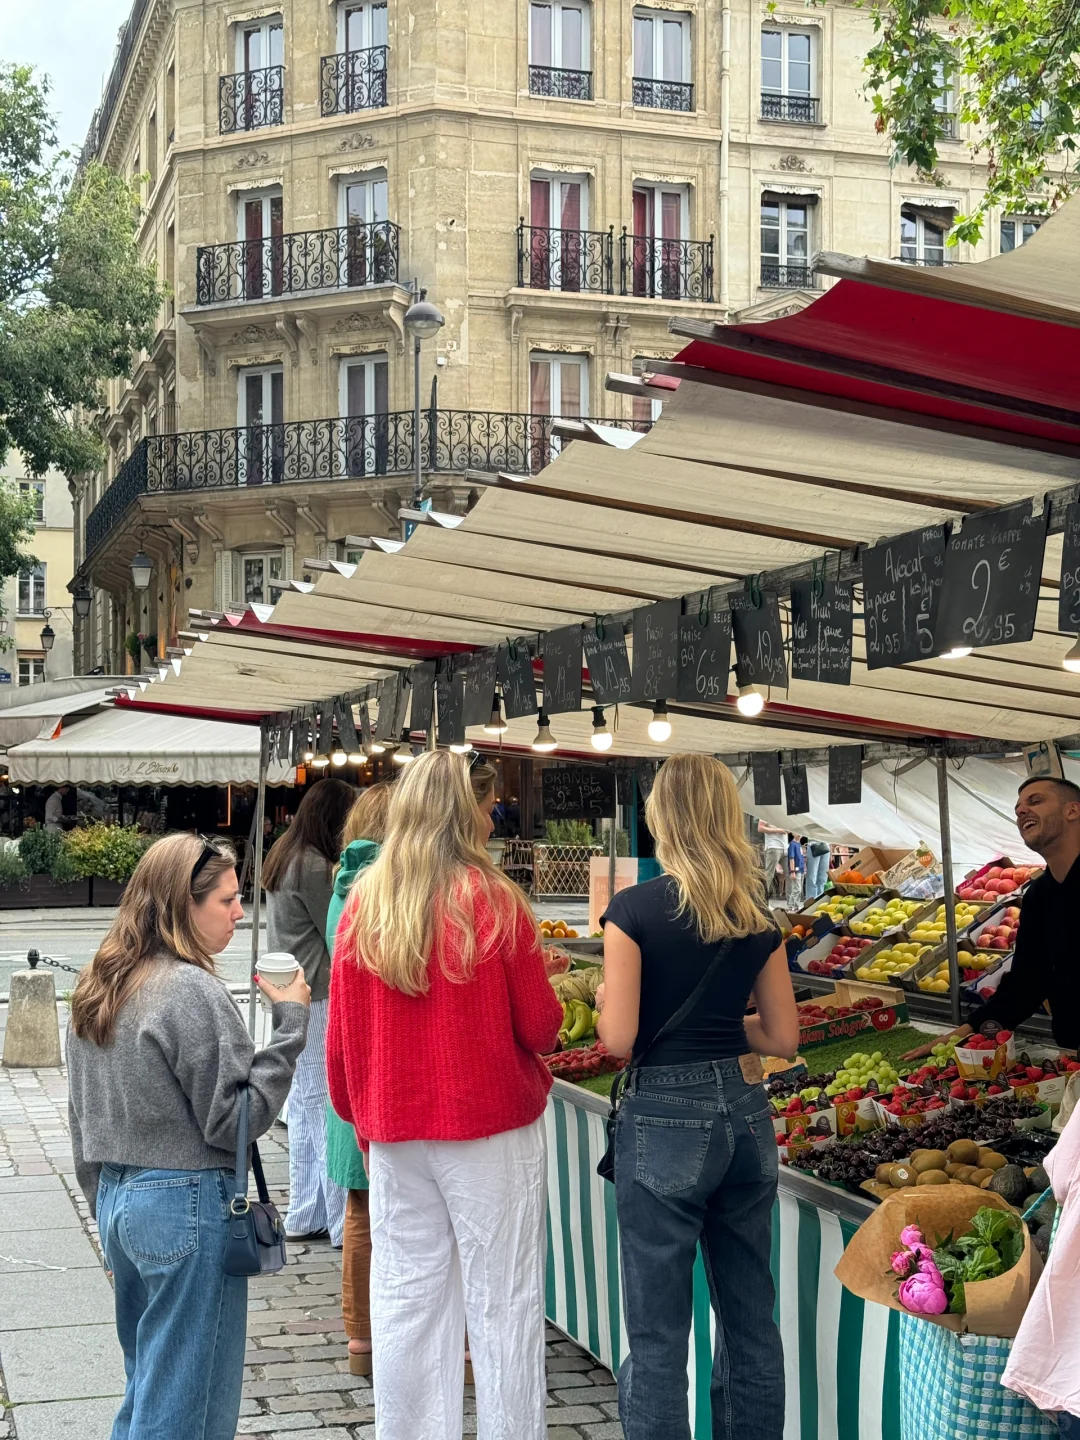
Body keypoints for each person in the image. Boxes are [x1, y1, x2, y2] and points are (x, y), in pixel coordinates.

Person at [326, 750, 562, 1440]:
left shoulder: (364, 906)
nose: (494, 814)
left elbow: (341, 1045)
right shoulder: (494, 901)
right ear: (466, 812)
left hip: (397, 1132)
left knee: (407, 1299)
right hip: (490, 1127)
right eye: (485, 806)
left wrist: (362, 1122)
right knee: (503, 1303)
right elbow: (543, 1029)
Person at [66, 833, 311, 1440]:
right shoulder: (190, 990)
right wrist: (290, 1028)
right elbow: (236, 1121)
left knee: (149, 1383)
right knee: (185, 1404)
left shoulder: (101, 982)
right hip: (185, 1204)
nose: (239, 913)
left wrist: (104, 1198)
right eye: (226, 901)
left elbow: (80, 1116)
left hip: (120, 1199)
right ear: (183, 903)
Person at [597, 753, 798, 1440]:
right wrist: (724, 1023)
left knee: (656, 1333)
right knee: (750, 1319)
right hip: (745, 1113)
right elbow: (782, 1036)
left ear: (661, 815)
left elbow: (618, 1040)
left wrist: (606, 1003)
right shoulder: (757, 914)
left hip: (664, 1118)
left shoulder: (633, 911)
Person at [903, 775, 1080, 1061]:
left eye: (1035, 801)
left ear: (1073, 810)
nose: (1022, 811)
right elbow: (1026, 983)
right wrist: (966, 1032)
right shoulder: (1039, 896)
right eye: (1018, 808)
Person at [263, 777, 355, 1243]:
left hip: (283, 990)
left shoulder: (282, 853)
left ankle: (304, 1211)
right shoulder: (316, 866)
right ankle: (339, 1219)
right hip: (316, 992)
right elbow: (335, 929)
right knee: (321, 1106)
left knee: (301, 1104)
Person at [324, 781, 394, 1377]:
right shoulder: (378, 891)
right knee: (369, 1213)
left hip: (351, 1061)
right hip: (376, 1067)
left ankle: (362, 1342)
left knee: (359, 1211)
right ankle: (370, 1338)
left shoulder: (343, 885)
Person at [757, 819, 787, 898]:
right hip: (773, 846)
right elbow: (760, 828)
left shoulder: (784, 813)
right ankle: (762, 899)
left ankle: (792, 904)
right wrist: (778, 830)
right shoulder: (767, 812)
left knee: (791, 874)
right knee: (768, 875)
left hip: (785, 847)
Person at [805, 836, 831, 901]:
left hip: (826, 844)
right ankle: (811, 900)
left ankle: (820, 899)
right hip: (813, 843)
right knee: (812, 876)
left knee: (823, 877)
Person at [786, 831, 806, 909]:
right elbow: (791, 858)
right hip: (796, 869)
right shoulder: (792, 844)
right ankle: (790, 905)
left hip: (801, 869)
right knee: (797, 889)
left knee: (799, 889)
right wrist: (792, 871)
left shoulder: (799, 845)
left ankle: (796, 905)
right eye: (796, 832)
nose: (799, 833)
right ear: (793, 833)